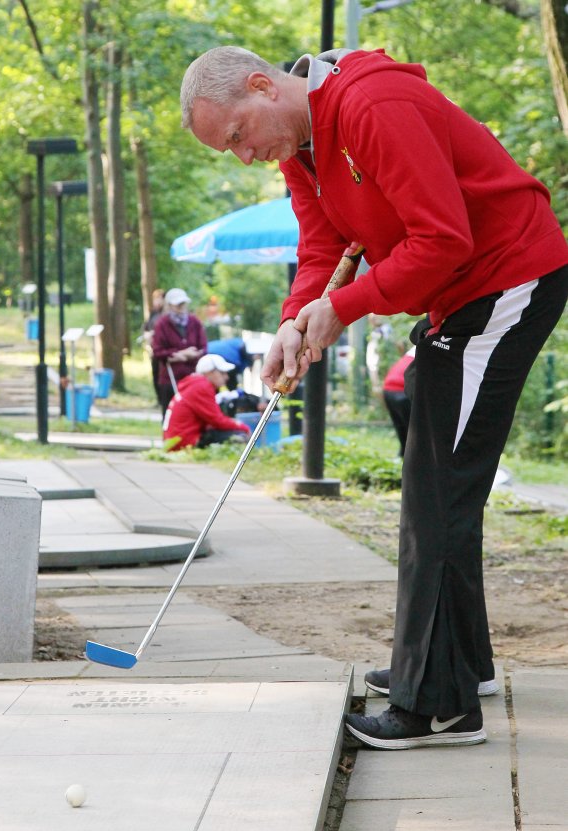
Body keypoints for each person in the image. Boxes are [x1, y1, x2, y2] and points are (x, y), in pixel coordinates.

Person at [180, 46, 568, 750]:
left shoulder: (371, 107)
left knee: (437, 486)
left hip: (508, 277)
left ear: (264, 87)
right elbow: (324, 249)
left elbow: (443, 239)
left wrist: (347, 308)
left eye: (237, 135)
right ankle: (455, 666)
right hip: (460, 297)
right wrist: (295, 323)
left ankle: (437, 708)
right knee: (435, 466)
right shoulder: (300, 150)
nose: (244, 157)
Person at [162, 353, 251, 450]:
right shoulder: (202, 386)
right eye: (222, 373)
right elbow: (217, 420)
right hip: (184, 443)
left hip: (174, 441)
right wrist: (242, 426)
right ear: (209, 372)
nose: (226, 377)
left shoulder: (195, 383)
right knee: (239, 436)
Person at [152, 287, 207, 418]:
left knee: (192, 414)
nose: (181, 307)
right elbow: (158, 351)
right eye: (178, 304)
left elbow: (203, 347)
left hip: (192, 376)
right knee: (170, 414)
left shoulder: (194, 322)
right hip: (170, 378)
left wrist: (193, 354)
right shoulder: (162, 324)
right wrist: (179, 354)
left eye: (183, 304)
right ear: (170, 305)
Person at [382, 347, 416, 457]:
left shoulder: (412, 351)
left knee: (401, 427)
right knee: (415, 431)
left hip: (388, 390)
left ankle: (403, 455)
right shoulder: (429, 349)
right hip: (402, 390)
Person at [142, 289, 166, 404]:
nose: (156, 301)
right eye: (155, 299)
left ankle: (163, 398)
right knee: (155, 373)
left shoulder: (165, 315)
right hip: (152, 348)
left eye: (159, 298)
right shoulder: (153, 313)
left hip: (162, 348)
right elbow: (146, 326)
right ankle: (158, 399)